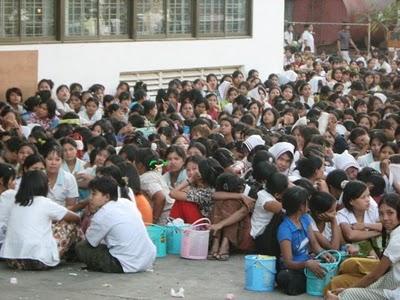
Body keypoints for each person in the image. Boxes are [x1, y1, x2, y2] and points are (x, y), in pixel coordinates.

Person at [0, 171, 80, 270]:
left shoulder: (17, 203)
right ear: (43, 185)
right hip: (37, 260)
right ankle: (80, 253)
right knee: (69, 225)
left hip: (12, 260)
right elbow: (76, 217)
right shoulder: (44, 202)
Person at [326, 193, 400, 300]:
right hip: (390, 277)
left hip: (393, 286)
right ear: (351, 201)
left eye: (390, 213)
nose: (385, 218)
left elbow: (374, 275)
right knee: (343, 274)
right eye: (381, 214)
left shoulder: (396, 238)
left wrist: (347, 292)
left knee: (344, 293)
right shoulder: (343, 215)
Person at [75, 176, 156, 273]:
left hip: (123, 264)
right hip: (147, 259)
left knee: (81, 247)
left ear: (107, 197)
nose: (90, 198)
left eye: (94, 194)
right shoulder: (127, 203)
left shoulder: (101, 215)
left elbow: (91, 242)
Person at [277, 186, 333, 295]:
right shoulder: (284, 229)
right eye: (307, 202)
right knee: (285, 277)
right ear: (301, 206)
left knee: (331, 264)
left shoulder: (305, 219)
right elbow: (288, 262)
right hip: (295, 268)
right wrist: (306, 264)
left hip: (308, 263)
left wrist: (323, 253)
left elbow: (314, 244)